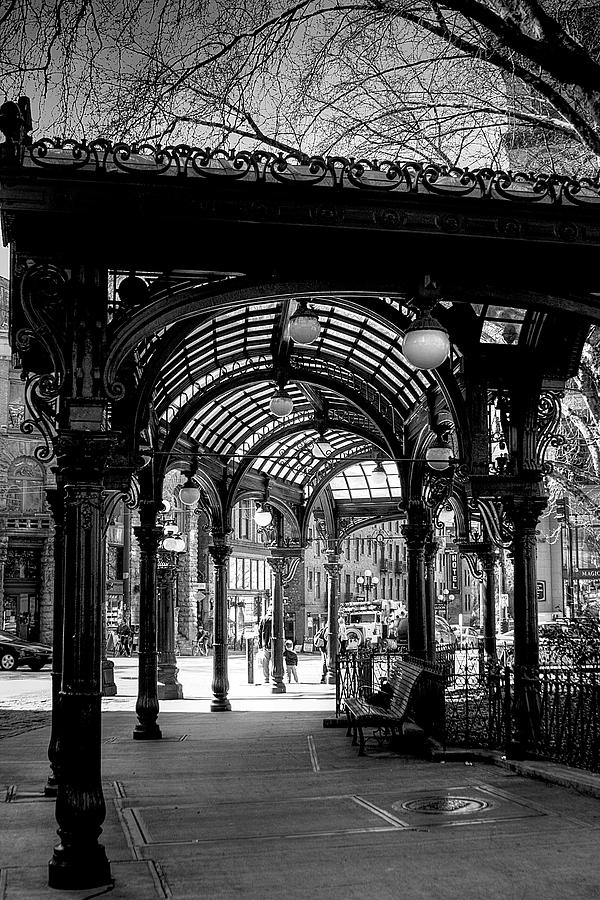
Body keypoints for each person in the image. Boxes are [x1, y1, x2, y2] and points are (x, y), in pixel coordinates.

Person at [258, 605, 273, 684]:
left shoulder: (263, 619)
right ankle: (275, 676)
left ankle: (266, 678)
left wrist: (260, 645)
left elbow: (259, 633)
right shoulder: (277, 618)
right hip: (275, 644)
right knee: (275, 661)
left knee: (265, 662)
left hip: (265, 644)